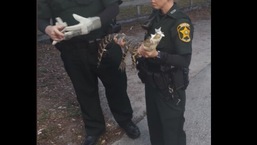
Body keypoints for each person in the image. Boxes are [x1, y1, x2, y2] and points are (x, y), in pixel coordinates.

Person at [37, 0, 140, 145]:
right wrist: (48, 29)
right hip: (72, 50)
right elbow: (40, 18)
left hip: (104, 44)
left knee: (117, 86)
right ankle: (94, 129)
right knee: (84, 91)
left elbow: (113, 8)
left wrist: (93, 23)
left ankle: (125, 120)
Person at [136, 0, 194, 145]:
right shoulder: (156, 16)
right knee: (155, 128)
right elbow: (151, 42)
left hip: (170, 87)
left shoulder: (180, 22)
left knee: (171, 132)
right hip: (152, 83)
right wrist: (140, 49)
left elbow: (184, 60)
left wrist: (158, 55)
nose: (152, 0)